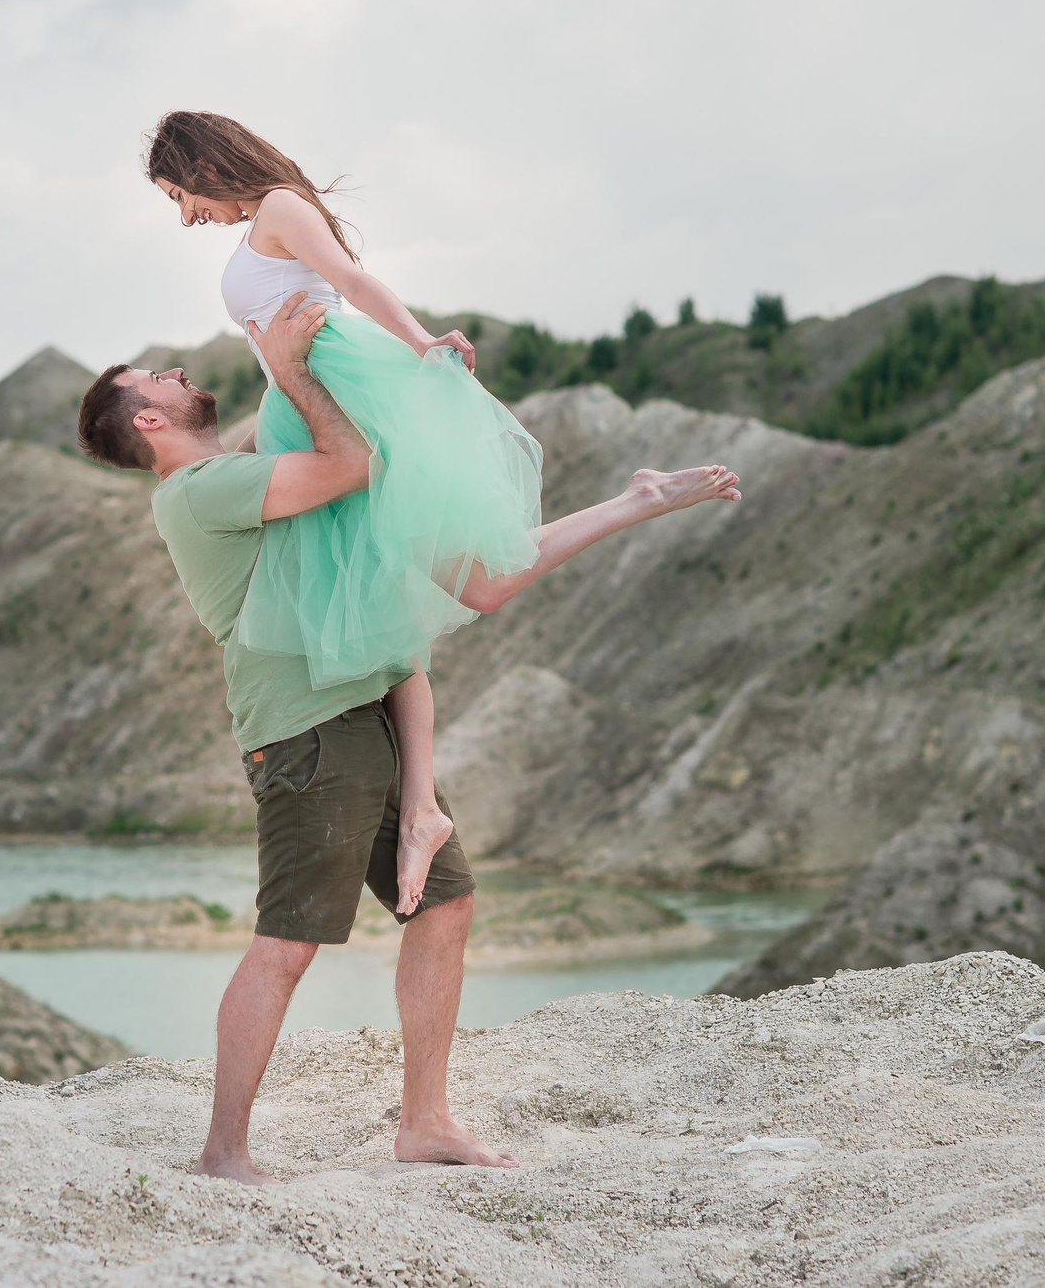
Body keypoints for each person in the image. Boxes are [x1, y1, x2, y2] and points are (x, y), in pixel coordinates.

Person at [76, 292, 739, 1184]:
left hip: (367, 708)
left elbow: (375, 479)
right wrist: (294, 366)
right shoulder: (200, 490)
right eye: (157, 377)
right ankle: (223, 1151)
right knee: (288, 941)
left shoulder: (237, 470)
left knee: (445, 904)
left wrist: (408, 373)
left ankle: (425, 1120)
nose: (179, 370)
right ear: (148, 419)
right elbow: (350, 462)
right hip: (309, 733)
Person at [142, 109, 545, 916]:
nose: (185, 216)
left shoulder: (282, 206)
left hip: (326, 386)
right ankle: (422, 808)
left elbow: (355, 285)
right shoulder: (270, 218)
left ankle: (423, 807)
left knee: (388, 588)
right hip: (296, 397)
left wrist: (424, 341)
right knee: (382, 593)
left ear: (207, 165)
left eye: (180, 194)